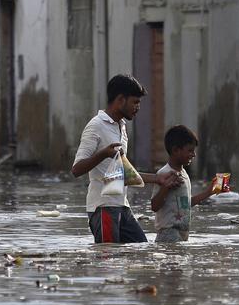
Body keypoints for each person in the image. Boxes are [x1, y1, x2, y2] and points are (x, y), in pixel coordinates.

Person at [72, 74, 179, 243]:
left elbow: (123, 173)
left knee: (140, 248)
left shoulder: (121, 127)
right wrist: (103, 153)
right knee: (108, 262)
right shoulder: (96, 126)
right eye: (135, 102)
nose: (137, 108)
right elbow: (76, 169)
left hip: (122, 206)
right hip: (103, 207)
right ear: (121, 100)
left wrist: (158, 178)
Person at [151, 125, 226, 243]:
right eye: (190, 150)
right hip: (169, 233)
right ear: (176, 150)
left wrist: (210, 191)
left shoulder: (184, 174)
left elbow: (186, 204)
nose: (194, 154)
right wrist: (165, 187)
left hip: (183, 232)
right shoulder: (164, 174)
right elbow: (154, 206)